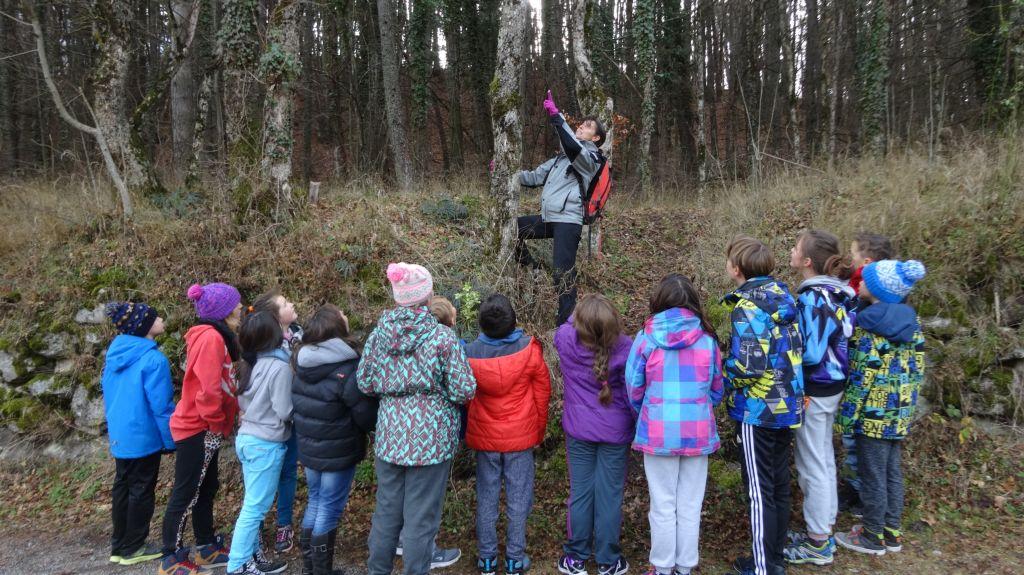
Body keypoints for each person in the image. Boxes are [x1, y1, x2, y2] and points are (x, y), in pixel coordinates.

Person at [358, 263, 477, 575]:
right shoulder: (442, 338)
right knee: (420, 519)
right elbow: (465, 389)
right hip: (431, 440)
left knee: (386, 515)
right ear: (427, 295)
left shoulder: (378, 336)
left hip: (390, 437)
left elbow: (365, 382)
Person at [625, 275, 724, 575]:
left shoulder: (645, 337)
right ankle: (685, 566)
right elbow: (717, 390)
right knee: (691, 504)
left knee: (663, 504)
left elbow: (632, 387)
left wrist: (650, 411)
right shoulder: (708, 340)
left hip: (657, 433)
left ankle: (663, 567)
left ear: (659, 301)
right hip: (697, 433)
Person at [721, 237, 804, 575]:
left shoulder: (747, 307)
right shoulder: (786, 298)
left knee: (758, 490)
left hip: (758, 411)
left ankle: (762, 566)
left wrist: (720, 375)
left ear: (736, 269)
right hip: (787, 406)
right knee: (779, 484)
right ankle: (775, 556)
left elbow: (748, 366)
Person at [834, 260, 926, 557]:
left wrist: (845, 418)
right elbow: (918, 370)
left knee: (872, 474)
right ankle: (891, 531)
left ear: (876, 289)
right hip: (898, 413)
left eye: (865, 280)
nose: (857, 282)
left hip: (872, 415)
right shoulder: (913, 323)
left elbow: (863, 375)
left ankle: (872, 537)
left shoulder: (868, 324)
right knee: (891, 472)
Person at [463, 294, 552, 575]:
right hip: (520, 437)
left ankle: (487, 558)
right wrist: (537, 431)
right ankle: (515, 558)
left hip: (485, 437)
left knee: (487, 496)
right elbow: (542, 394)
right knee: (519, 496)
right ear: (514, 321)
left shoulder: (470, 353)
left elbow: (465, 396)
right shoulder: (529, 350)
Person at [159, 283, 242, 575]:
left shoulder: (217, 337)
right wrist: (217, 423)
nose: (241, 308)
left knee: (207, 486)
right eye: (237, 304)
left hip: (208, 427)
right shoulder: (211, 339)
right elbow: (208, 390)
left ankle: (206, 546)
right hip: (198, 427)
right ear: (224, 311)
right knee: (187, 492)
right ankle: (171, 557)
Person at [784, 230, 855, 566]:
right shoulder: (838, 293)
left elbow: (811, 352)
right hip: (834, 386)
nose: (792, 250)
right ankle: (823, 527)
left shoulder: (812, 299)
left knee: (811, 463)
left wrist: (787, 350)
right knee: (823, 457)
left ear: (807, 261)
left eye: (796, 248)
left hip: (815, 388)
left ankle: (817, 542)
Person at [292, 304, 379, 575]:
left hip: (309, 447)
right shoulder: (347, 366)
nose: (346, 315)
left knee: (316, 500)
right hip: (338, 450)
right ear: (335, 327)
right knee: (328, 507)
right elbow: (365, 416)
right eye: (343, 315)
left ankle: (310, 568)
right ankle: (321, 571)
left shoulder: (301, 361)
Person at [553, 294, 634, 575]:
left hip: (579, 430)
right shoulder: (626, 346)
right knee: (610, 494)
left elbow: (565, 324)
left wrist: (579, 315)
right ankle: (608, 560)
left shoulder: (566, 338)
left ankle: (575, 556)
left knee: (581, 493)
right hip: (616, 429)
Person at [516, 90, 606, 325]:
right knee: (513, 228)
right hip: (549, 218)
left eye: (587, 127)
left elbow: (575, 148)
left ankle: (565, 324)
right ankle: (533, 267)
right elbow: (533, 177)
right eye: (582, 125)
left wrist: (558, 119)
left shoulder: (592, 159)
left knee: (562, 275)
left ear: (595, 138)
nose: (581, 128)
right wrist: (504, 175)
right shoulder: (561, 158)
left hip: (569, 221)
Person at [102, 302, 176, 566]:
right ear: (145, 326)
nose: (161, 319)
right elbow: (162, 406)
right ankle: (133, 547)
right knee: (141, 490)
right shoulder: (153, 359)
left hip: (121, 435)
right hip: (144, 436)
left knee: (122, 486)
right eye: (155, 317)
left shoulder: (114, 355)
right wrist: (171, 440)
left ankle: (119, 545)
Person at [226, 311, 295, 575]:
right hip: (266, 443)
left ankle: (251, 557)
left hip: (247, 438)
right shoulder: (279, 367)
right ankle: (238, 564)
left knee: (251, 503)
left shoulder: (247, 364)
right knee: (255, 508)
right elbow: (284, 410)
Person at [841, 232, 895, 515]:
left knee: (858, 444)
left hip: (865, 385)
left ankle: (863, 499)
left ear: (868, 261)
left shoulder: (866, 293)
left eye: (853, 255)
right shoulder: (890, 295)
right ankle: (866, 496)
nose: (850, 260)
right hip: (884, 394)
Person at [250, 291, 303, 553]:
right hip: (265, 423)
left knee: (288, 472)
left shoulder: (299, 335)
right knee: (259, 479)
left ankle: (284, 524)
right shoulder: (259, 345)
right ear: (273, 316)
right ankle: (255, 527)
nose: (291, 304)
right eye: (284, 303)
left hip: (290, 420)